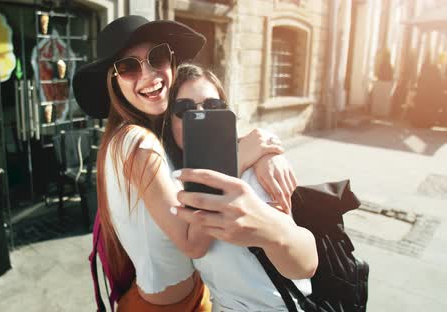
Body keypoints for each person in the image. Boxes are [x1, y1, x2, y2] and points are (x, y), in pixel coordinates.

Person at [73, 15, 298, 311]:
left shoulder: (140, 136)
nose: (149, 75)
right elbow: (192, 244)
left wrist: (267, 148)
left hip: (188, 296)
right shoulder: (138, 142)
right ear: (113, 81)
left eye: (157, 57)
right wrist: (241, 158)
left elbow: (207, 138)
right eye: (128, 67)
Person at [164, 63, 318, 311]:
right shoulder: (168, 180)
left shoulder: (254, 172)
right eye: (184, 109)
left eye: (213, 106)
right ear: (169, 122)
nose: (201, 114)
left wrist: (272, 233)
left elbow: (304, 265)